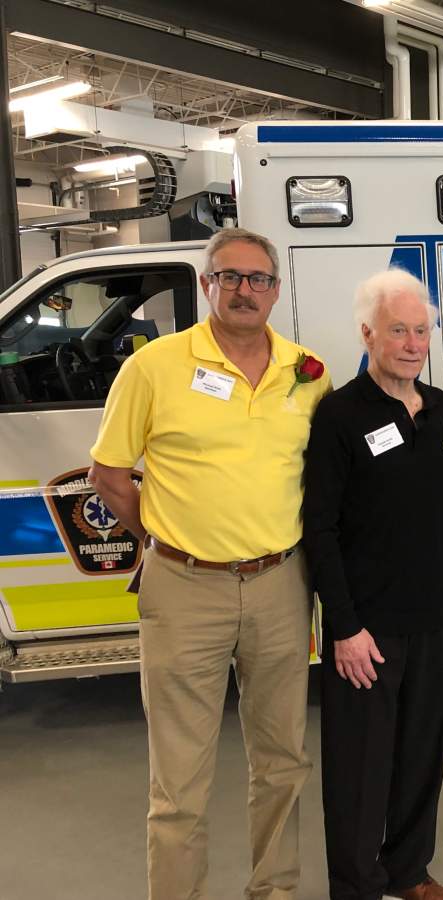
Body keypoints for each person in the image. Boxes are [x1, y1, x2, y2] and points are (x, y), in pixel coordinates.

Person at [88, 228, 330, 899]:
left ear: (277, 290)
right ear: (207, 286)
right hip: (184, 589)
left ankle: (274, 891)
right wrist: (166, 538)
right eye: (229, 277)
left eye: (257, 278)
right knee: (180, 780)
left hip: (281, 584)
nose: (244, 290)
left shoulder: (307, 372)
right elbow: (109, 475)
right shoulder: (155, 367)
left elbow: (323, 481)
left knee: (283, 763)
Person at [302, 270, 443, 900]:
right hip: (365, 629)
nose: (413, 343)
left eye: (421, 331)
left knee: (423, 759)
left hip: (430, 620)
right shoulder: (341, 414)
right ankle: (358, 887)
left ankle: (409, 875)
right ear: (368, 333)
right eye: (399, 330)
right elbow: (320, 528)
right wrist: (342, 625)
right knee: (359, 771)